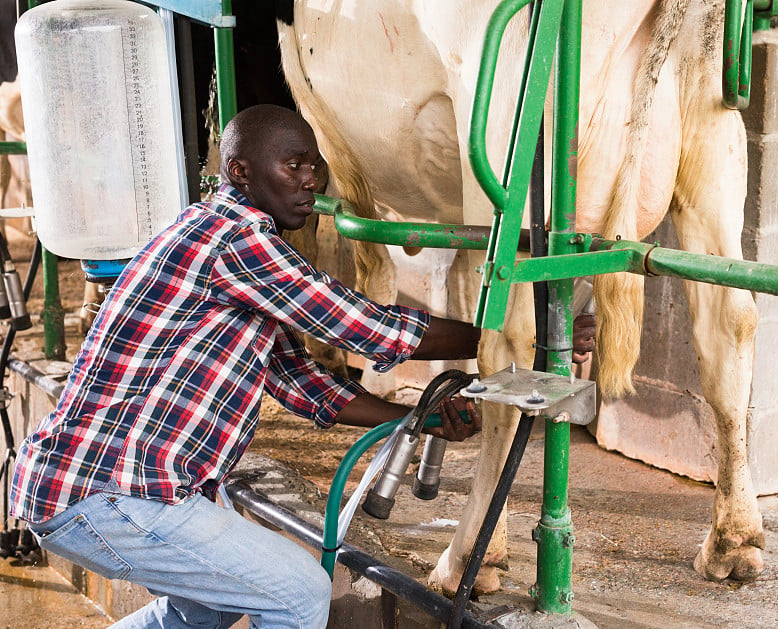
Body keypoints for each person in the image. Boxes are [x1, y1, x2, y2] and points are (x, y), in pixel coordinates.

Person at [9, 104, 594, 629]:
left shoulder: (231, 247)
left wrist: (414, 416)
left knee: (202, 612)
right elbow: (360, 325)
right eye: (293, 166)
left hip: (112, 489)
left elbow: (302, 383)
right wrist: (515, 333)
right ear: (241, 172)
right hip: (111, 491)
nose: (311, 182)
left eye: (315, 167)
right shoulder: (234, 238)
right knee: (295, 593)